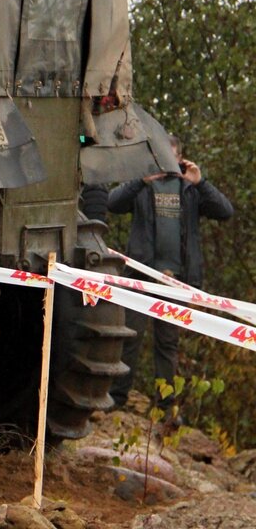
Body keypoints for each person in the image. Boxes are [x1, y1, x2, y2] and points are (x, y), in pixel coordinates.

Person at [106, 136, 233, 409]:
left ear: (180, 159)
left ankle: (165, 408)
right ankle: (116, 401)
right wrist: (141, 178)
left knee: (167, 344)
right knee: (130, 339)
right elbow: (112, 203)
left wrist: (201, 182)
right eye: (160, 156)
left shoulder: (191, 189)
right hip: (141, 279)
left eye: (170, 157)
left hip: (176, 282)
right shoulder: (143, 186)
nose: (165, 162)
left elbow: (225, 211)